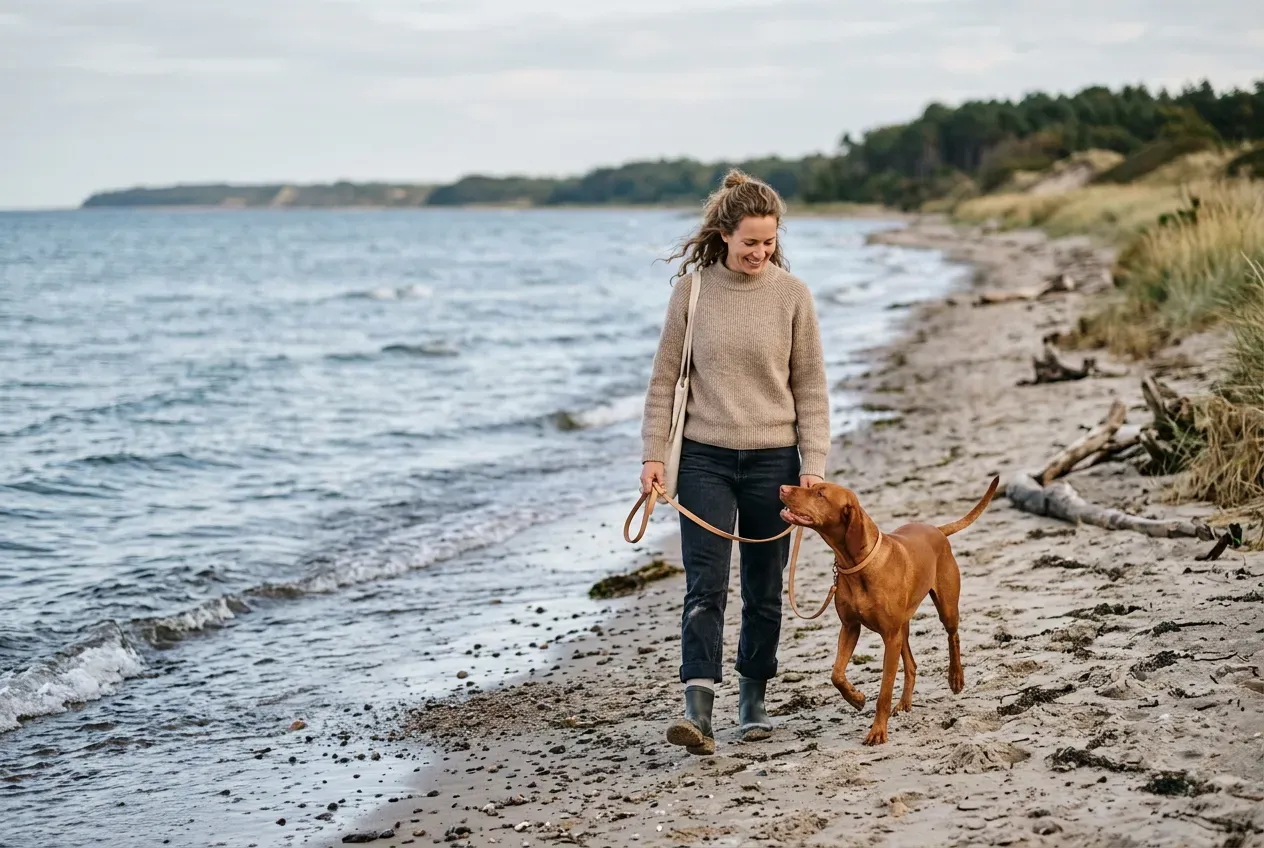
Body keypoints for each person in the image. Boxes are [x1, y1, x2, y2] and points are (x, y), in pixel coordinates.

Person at [639, 169, 830, 755]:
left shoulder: (792, 295)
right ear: (724, 234)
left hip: (775, 460)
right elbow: (663, 379)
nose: (760, 251)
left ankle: (754, 699)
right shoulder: (692, 292)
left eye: (769, 242)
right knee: (705, 585)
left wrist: (813, 464)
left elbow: (811, 387)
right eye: (750, 241)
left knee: (764, 587)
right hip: (702, 459)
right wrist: (652, 456)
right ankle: (698, 709)